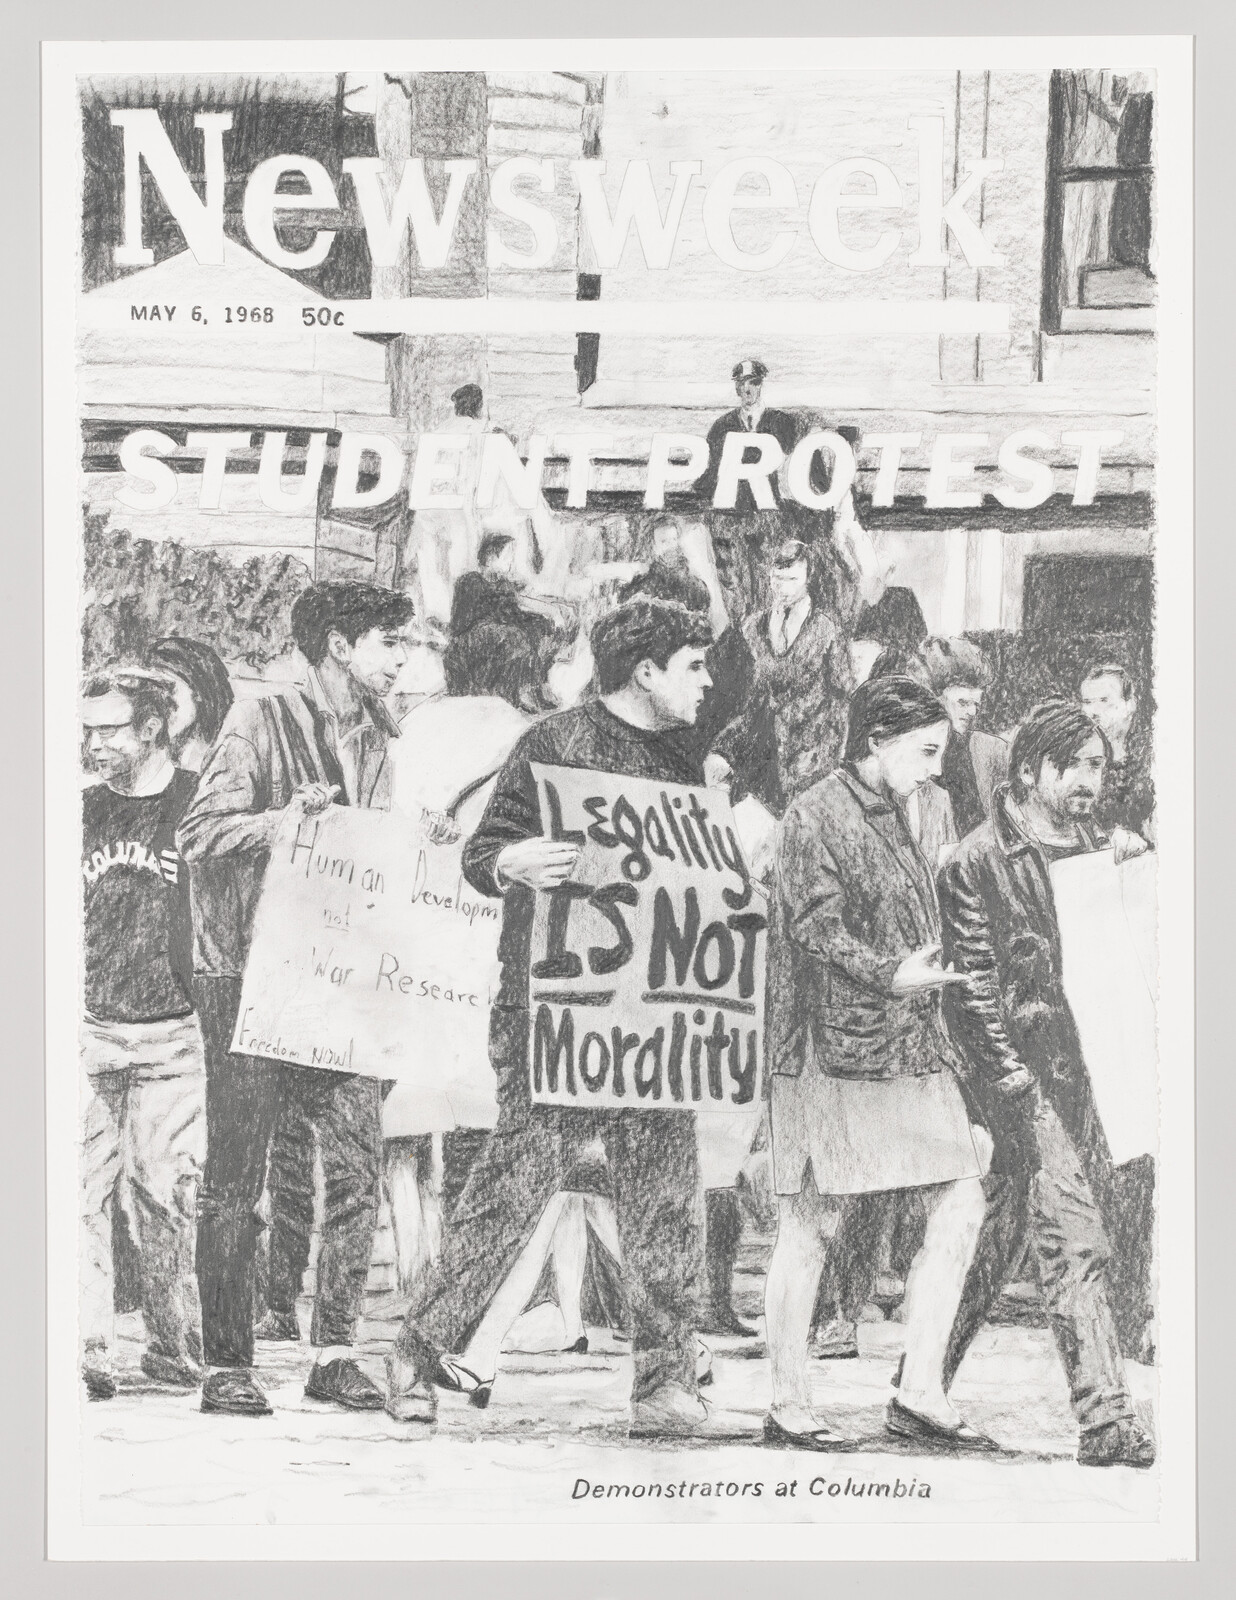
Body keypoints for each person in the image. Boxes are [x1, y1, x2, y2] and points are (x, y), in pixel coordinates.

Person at [384, 598, 722, 1439]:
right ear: (645, 672)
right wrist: (511, 860)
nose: (707, 682)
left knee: (666, 1197)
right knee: (513, 1185)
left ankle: (663, 1381)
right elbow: (478, 852)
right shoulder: (553, 743)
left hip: (651, 1015)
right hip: (553, 1015)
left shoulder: (686, 753)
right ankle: (416, 1354)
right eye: (693, 666)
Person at [177, 581, 414, 1417]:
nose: (403, 658)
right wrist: (281, 821)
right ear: (341, 646)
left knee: (357, 1165)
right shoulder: (261, 719)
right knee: (236, 1176)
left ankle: (336, 1351)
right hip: (247, 977)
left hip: (338, 980)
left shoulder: (384, 737)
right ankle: (227, 1364)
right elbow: (200, 832)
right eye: (391, 642)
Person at [762, 675, 993, 1453]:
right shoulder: (813, 813)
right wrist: (893, 971)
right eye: (925, 751)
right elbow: (815, 927)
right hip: (830, 1051)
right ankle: (788, 1399)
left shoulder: (910, 808)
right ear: (875, 741)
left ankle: (920, 1388)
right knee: (812, 1222)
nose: (934, 768)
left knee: (961, 1201)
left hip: (907, 1044)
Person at [936, 700, 1155, 1468]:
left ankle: (918, 1380)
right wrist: (1012, 1081)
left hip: (1093, 1072)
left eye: (1101, 766)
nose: (1095, 780)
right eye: (1079, 767)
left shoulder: (1104, 847)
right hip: (1020, 1077)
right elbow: (972, 984)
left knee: (998, 1239)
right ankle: (1105, 1418)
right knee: (1075, 1239)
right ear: (1032, 771)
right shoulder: (976, 859)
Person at [80, 670, 205, 1398]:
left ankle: (169, 1342)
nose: (94, 744)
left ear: (153, 729)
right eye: (87, 730)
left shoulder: (195, 805)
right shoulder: (80, 809)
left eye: (109, 729)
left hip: (172, 1034)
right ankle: (90, 1346)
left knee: (162, 1195)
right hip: (87, 1028)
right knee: (77, 1193)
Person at [707, 538, 856, 816]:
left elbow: (843, 697)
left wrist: (828, 754)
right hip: (761, 751)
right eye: (777, 580)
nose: (783, 589)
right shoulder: (752, 627)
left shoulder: (827, 630)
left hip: (810, 754)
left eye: (792, 579)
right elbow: (744, 699)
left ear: (808, 578)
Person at [698, 359, 801, 619]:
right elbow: (710, 475)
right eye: (743, 384)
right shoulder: (722, 427)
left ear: (760, 386)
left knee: (767, 581)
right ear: (736, 388)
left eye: (753, 383)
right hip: (735, 519)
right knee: (737, 586)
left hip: (767, 519)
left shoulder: (781, 423)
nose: (748, 390)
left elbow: (793, 470)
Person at [443, 531, 569, 712]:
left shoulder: (503, 584)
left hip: (498, 631)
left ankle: (535, 687)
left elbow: (514, 610)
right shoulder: (470, 581)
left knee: (538, 627)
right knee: (514, 636)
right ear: (491, 557)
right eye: (507, 556)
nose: (511, 562)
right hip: (471, 634)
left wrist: (546, 618)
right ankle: (517, 693)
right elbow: (465, 620)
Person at [914, 637, 1009, 837]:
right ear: (934, 699)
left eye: (976, 704)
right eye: (963, 703)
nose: (973, 712)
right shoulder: (911, 753)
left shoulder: (992, 750)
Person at [1079, 661, 1154, 843]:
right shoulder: (1080, 762)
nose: (1093, 712)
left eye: (1104, 701)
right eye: (1087, 702)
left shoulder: (1151, 755)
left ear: (1130, 705)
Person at [145, 637, 235, 774]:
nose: (156, 702)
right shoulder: (155, 762)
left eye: (167, 688)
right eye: (150, 689)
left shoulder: (224, 757)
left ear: (199, 692)